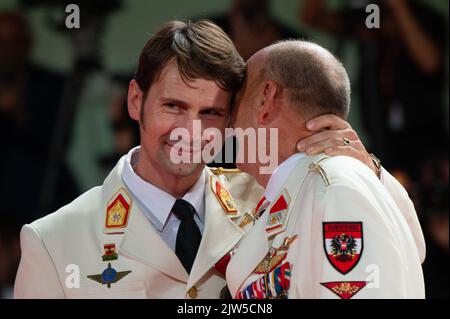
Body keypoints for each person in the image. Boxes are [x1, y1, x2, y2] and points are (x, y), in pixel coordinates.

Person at [14, 20, 418, 299]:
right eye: (173, 106)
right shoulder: (52, 241)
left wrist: (367, 173)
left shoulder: (275, 194)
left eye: (211, 113)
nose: (192, 131)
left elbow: (393, 255)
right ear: (135, 101)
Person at [226, 40, 425, 299]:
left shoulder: (336, 187)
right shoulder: (308, 187)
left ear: (266, 97)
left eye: (237, 98)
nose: (228, 119)